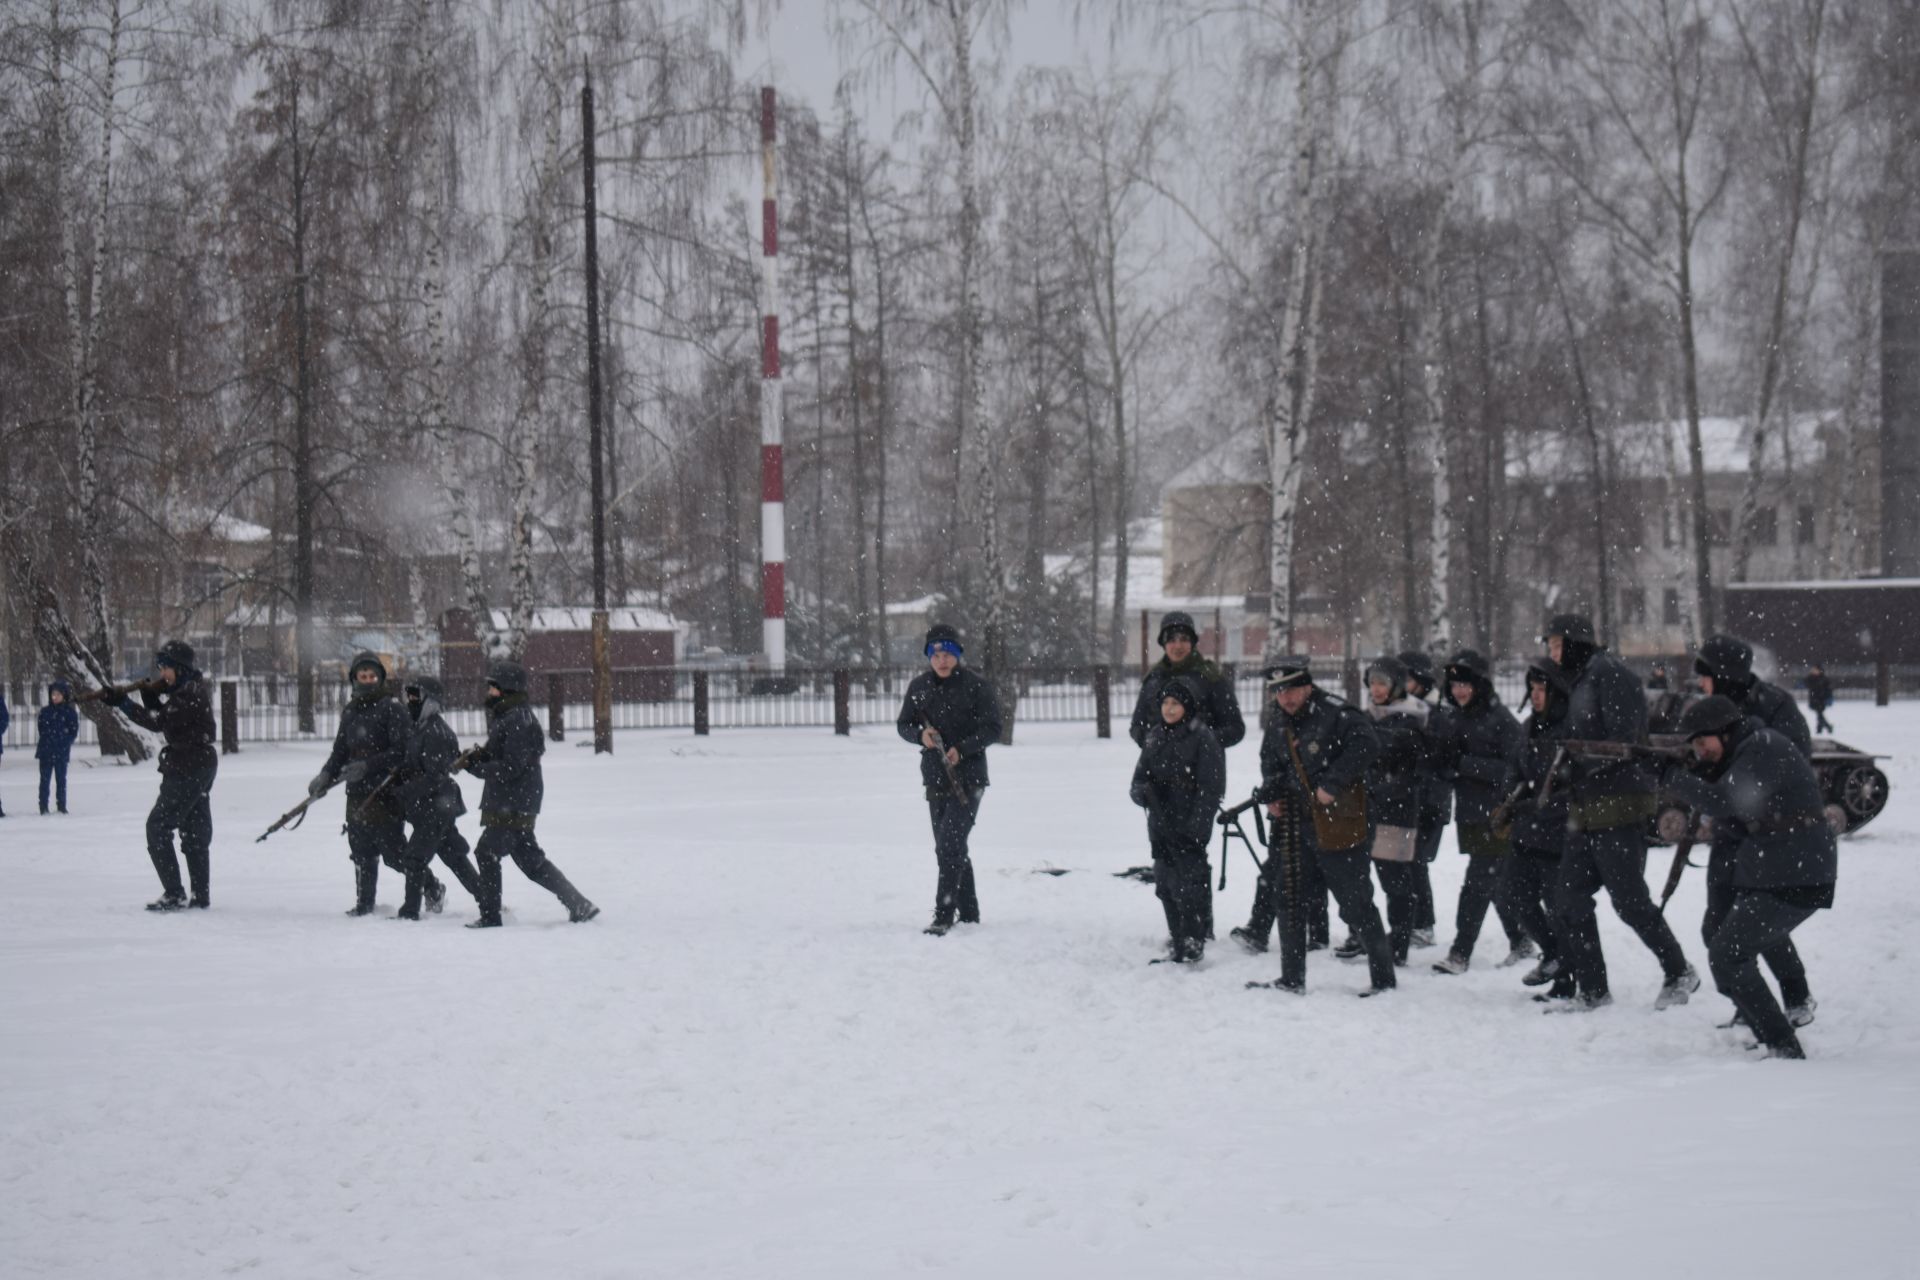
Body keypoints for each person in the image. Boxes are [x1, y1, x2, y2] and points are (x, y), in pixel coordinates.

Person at [1542, 614, 1698, 1012]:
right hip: (1587, 804)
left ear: (1577, 641)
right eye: (1550, 645)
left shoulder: (1611, 674)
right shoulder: (1580, 678)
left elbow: (1624, 742)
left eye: (1558, 644)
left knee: (1629, 901)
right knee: (1568, 898)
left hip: (1620, 802)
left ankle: (1679, 970)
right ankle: (1593, 989)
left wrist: (1578, 763)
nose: (1552, 652)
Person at [1668, 695, 1836, 1059]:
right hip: (1777, 866)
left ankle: (1781, 1044)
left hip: (1797, 871)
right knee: (1724, 934)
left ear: (1725, 731)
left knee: (1728, 953)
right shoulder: (1749, 748)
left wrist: (1671, 776)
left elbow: (1722, 802)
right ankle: (1772, 1012)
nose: (1700, 752)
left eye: (1702, 743)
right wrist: (1689, 771)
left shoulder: (1763, 747)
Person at [1245, 656, 1394, 997]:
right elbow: (1270, 760)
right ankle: (1291, 977)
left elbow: (1367, 745)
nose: (1286, 698)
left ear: (1307, 685)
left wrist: (1332, 783)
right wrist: (1271, 794)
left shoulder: (1336, 713)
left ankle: (1383, 978)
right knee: (1289, 897)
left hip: (1338, 821)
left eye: (1292, 689)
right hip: (1295, 823)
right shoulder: (1279, 720)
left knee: (1355, 901)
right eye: (1279, 692)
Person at [460, 659, 598, 927]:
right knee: (530, 860)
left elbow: (512, 766)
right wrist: (474, 759)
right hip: (516, 799)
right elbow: (501, 755)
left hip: (513, 801)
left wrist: (478, 768)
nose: (489, 693)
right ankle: (579, 904)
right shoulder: (509, 716)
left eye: (493, 688)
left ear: (507, 688)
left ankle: (490, 916)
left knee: (486, 852)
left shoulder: (518, 720)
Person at [895, 623, 1002, 936]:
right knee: (950, 847)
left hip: (969, 779)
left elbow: (993, 727)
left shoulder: (976, 686)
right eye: (936, 653)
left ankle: (944, 913)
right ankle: (969, 911)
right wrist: (921, 735)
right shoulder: (918, 687)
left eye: (948, 652)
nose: (942, 659)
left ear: (958, 655)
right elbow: (903, 725)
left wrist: (962, 749)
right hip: (934, 778)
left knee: (950, 843)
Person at [1430, 649, 1531, 975]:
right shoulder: (1455, 717)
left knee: (1477, 884)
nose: (1459, 690)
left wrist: (1462, 765)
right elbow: (1448, 765)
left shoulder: (1500, 719)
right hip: (1472, 814)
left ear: (1480, 685)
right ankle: (1521, 939)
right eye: (1455, 684)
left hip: (1499, 817)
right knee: (1498, 884)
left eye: (1466, 684)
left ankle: (1460, 953)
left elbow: (1514, 770)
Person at [107, 641, 217, 910]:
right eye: (161, 668)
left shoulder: (188, 695)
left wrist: (123, 703)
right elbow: (165, 714)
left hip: (187, 767)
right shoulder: (190, 689)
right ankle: (199, 896)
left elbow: (158, 721)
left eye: (166, 668)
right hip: (196, 764)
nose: (162, 674)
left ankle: (174, 893)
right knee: (193, 830)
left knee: (157, 827)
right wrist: (149, 696)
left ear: (180, 668)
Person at [309, 653, 414, 916]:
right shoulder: (351, 711)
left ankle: (432, 887)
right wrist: (325, 774)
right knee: (361, 849)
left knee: (394, 852)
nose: (367, 681)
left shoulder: (392, 708)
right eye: (362, 676)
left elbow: (401, 751)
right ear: (354, 678)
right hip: (356, 793)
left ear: (380, 678)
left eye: (372, 676)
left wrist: (368, 766)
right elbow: (340, 752)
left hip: (385, 791)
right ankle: (364, 903)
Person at [1131, 677, 1226, 964]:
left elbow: (1211, 787)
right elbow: (1139, 776)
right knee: (1165, 883)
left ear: (1187, 706)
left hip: (1189, 824)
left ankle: (1194, 938)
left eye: (1176, 703)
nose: (1170, 709)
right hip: (1160, 823)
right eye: (1166, 703)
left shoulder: (1202, 737)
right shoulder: (1154, 736)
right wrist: (1141, 793)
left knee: (1191, 884)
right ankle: (1177, 935)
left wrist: (1198, 825)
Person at [1507, 662, 1574, 999]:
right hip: (1525, 832)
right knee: (1517, 898)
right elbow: (1516, 770)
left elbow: (1571, 789)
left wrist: (1540, 806)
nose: (1534, 696)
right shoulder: (1528, 727)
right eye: (1531, 689)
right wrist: (1510, 800)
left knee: (1558, 907)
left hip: (1558, 835)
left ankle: (1566, 978)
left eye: (1541, 690)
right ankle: (1552, 952)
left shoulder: (1568, 732)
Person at [392, 675, 482, 920]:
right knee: (454, 856)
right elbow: (410, 763)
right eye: (408, 695)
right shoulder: (416, 727)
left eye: (416, 696)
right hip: (427, 807)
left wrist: (404, 792)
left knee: (414, 857)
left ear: (430, 701)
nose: (410, 701)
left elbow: (436, 776)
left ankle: (409, 911)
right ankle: (488, 898)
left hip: (437, 806)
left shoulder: (437, 732)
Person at [1360, 657, 1427, 967]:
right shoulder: (1367, 718)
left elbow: (1411, 774)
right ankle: (1365, 935)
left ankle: (1399, 942)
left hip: (1395, 812)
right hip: (1366, 810)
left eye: (1382, 683)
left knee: (1395, 882)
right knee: (1359, 878)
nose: (1375, 689)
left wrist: (1380, 790)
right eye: (1372, 682)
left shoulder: (1411, 722)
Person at [1398, 649, 1450, 949]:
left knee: (1414, 862)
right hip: (1404, 798)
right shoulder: (1402, 709)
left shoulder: (1435, 714)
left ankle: (1422, 923)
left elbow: (1439, 761)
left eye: (1406, 677)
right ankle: (1409, 921)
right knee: (1402, 862)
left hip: (1428, 800)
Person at [1694, 635, 1811, 758]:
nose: (1700, 683)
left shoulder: (1777, 705)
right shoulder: (1707, 707)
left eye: (1705, 677)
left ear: (1724, 678)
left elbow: (1793, 758)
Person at [36, 680, 80, 814]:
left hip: (61, 751)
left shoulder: (69, 712)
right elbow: (41, 728)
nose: (54, 697)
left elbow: (73, 731)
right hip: (46, 751)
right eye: (53, 694)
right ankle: (43, 806)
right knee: (44, 780)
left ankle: (61, 805)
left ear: (64, 696)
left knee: (61, 780)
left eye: (58, 694)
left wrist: (64, 741)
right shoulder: (45, 711)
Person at [1804, 665, 1833, 735]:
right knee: (1819, 714)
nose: (1814, 671)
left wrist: (1827, 697)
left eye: (1815, 670)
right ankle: (1824, 727)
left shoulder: (1823, 679)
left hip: (1821, 700)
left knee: (1819, 713)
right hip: (1814, 698)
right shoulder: (1811, 678)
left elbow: (1828, 689)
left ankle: (1824, 727)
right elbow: (1806, 682)